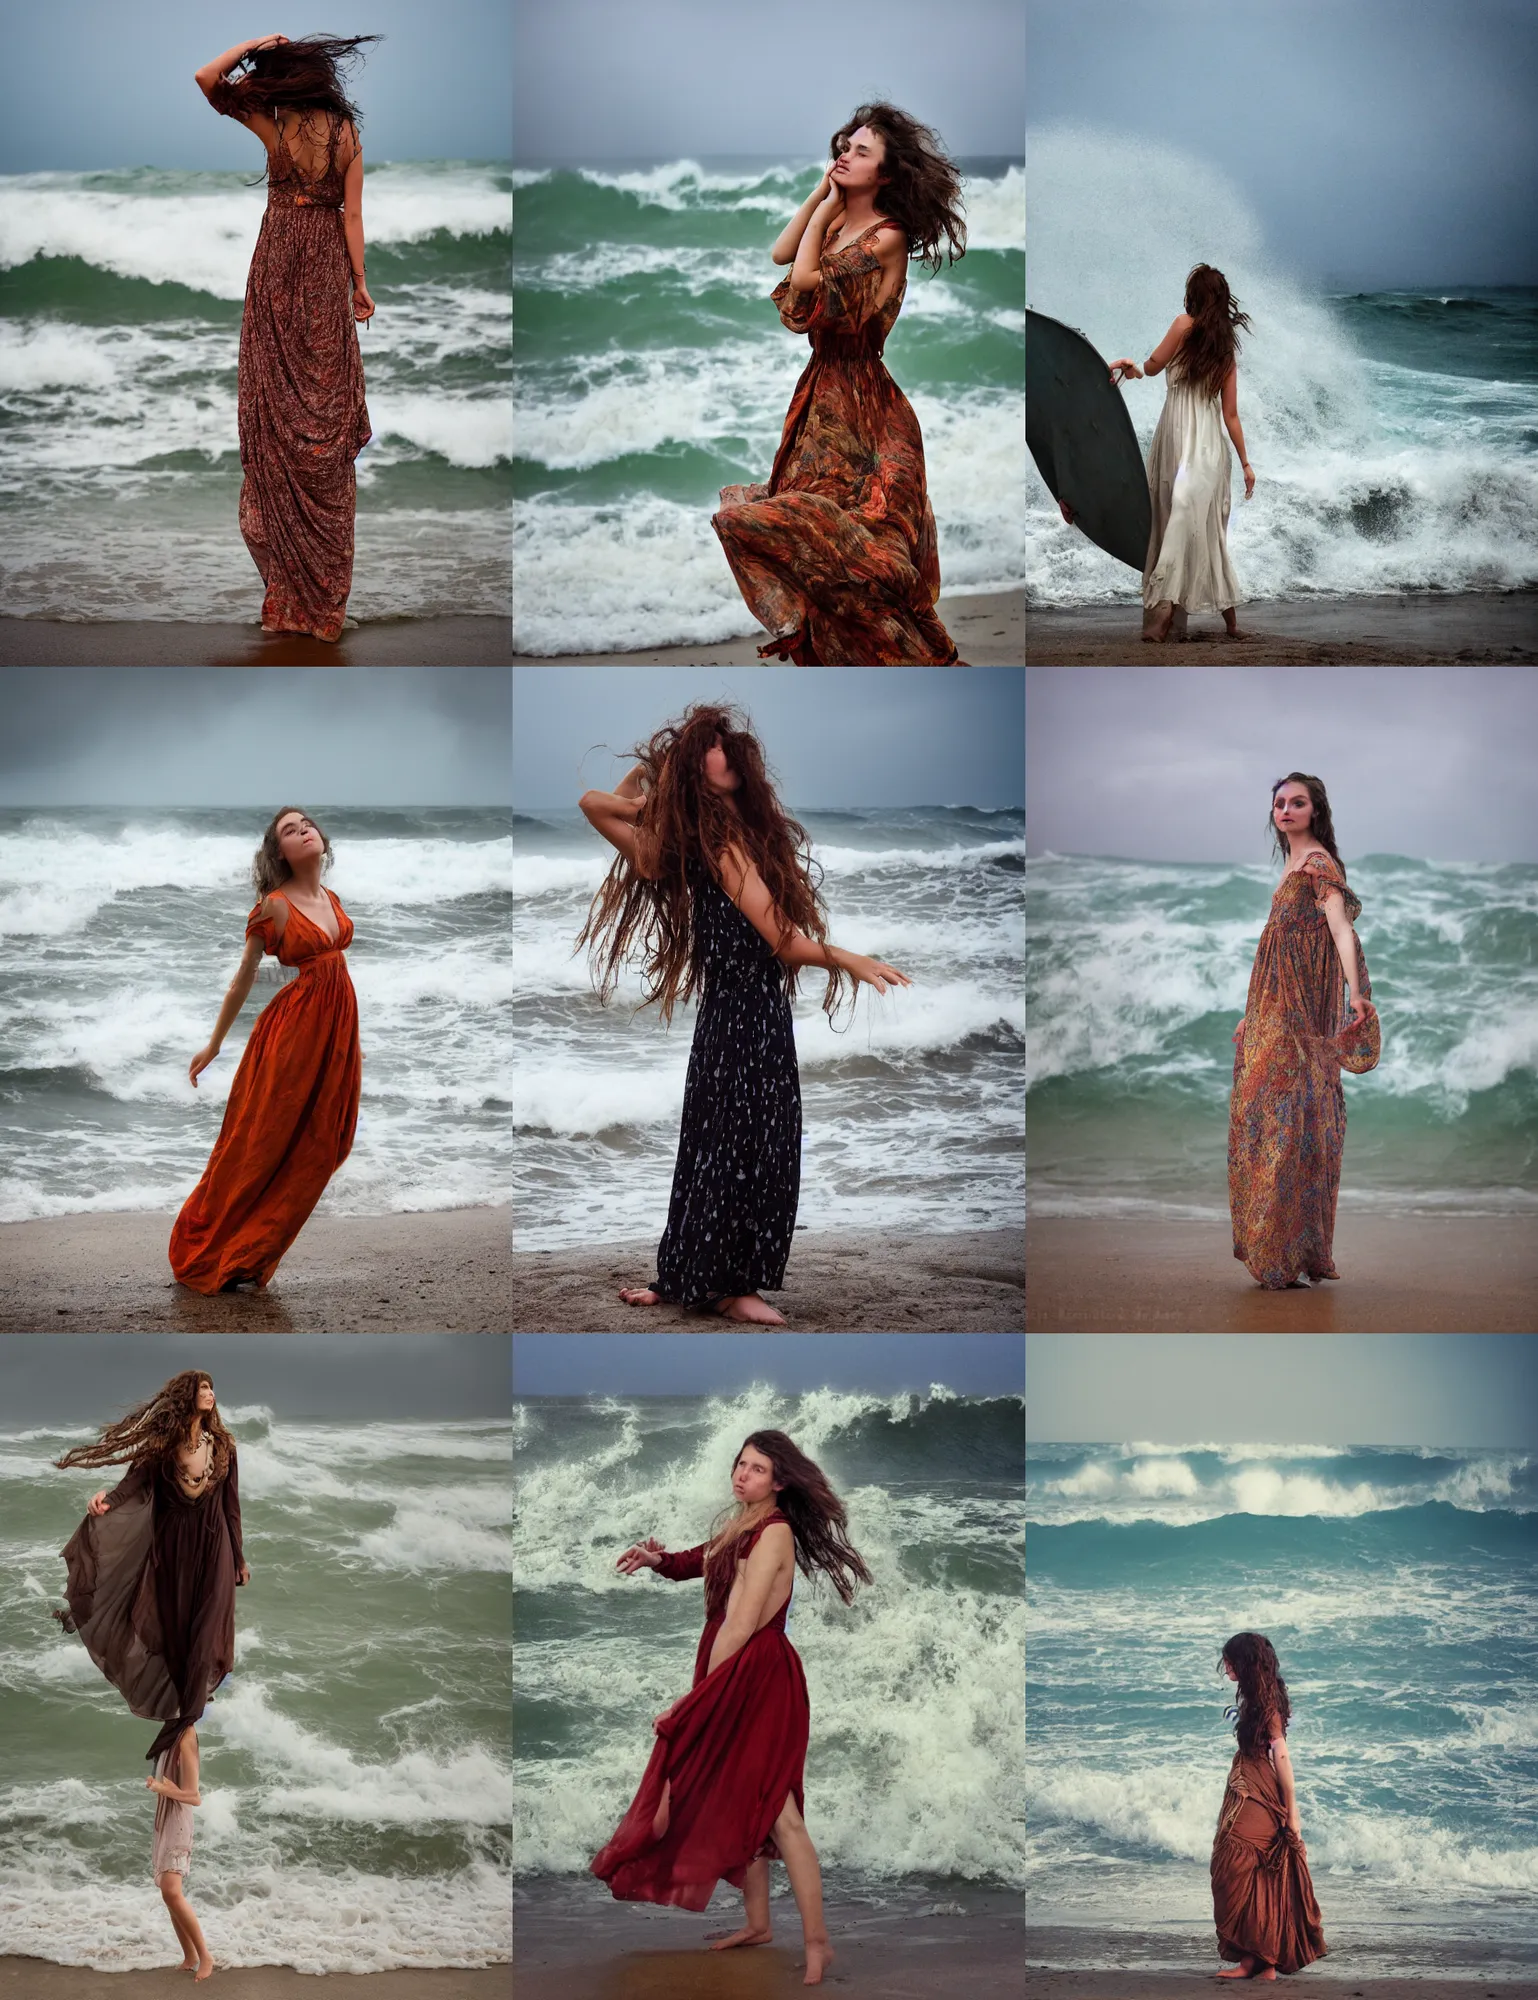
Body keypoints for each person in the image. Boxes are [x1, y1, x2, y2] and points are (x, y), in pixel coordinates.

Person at [576, 703, 910, 1323]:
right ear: (695, 769)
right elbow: (783, 940)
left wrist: (667, 793)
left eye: (730, 745)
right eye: (712, 746)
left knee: (738, 1141)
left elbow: (775, 938)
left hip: (749, 1011)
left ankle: (708, 1282)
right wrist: (848, 959)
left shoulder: (728, 838)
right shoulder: (712, 844)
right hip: (740, 1016)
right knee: (728, 1143)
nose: (728, 752)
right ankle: (711, 1286)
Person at [592, 1431, 873, 1987]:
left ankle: (819, 1944)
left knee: (777, 1811)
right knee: (741, 1796)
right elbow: (706, 1559)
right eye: (740, 1464)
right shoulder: (742, 1521)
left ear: (780, 1480)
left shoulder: (774, 1533)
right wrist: (658, 1560)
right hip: (734, 1669)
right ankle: (759, 1925)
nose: (741, 1475)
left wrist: (694, 1701)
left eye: (757, 1468)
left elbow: (742, 1624)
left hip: (755, 1676)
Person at [713, 103, 969, 665]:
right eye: (843, 147)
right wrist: (822, 200)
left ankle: (915, 658)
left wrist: (830, 209)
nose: (844, 156)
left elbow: (803, 278)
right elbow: (782, 253)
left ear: (886, 172)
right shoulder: (835, 221)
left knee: (865, 554)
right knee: (807, 539)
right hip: (818, 403)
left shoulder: (888, 235)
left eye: (861, 151)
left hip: (867, 411)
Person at [195, 33, 380, 641]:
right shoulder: (348, 135)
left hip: (277, 268)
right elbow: (351, 217)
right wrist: (360, 284)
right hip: (326, 267)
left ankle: (293, 599)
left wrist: (250, 45)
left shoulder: (277, 123)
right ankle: (322, 607)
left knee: (276, 415)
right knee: (322, 422)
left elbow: (206, 80)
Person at [170, 807, 362, 1294]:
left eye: (307, 824)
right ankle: (222, 1249)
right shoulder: (274, 906)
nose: (303, 831)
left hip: (336, 1031)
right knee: (263, 1145)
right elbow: (244, 978)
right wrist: (214, 1044)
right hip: (294, 1034)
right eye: (290, 831)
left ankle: (254, 1249)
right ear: (279, 853)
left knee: (327, 1143)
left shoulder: (331, 897)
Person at [55, 1372, 250, 1771]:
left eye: (212, 1388)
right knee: (176, 1634)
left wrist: (241, 1559)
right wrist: (104, 1501)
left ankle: (185, 1717)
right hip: (172, 1549)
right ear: (186, 1397)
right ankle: (182, 1714)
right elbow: (132, 1483)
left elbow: (232, 1507)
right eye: (202, 1389)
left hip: (216, 1550)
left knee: (206, 1630)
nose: (210, 1394)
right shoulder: (162, 1447)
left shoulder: (225, 1446)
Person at [1229, 774, 1379, 1290]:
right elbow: (1279, 949)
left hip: (1300, 1015)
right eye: (1279, 803)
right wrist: (1253, 1012)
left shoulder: (1318, 864)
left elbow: (1340, 928)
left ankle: (1284, 1253)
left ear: (1315, 811)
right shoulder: (1292, 863)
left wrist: (1356, 994)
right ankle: (1284, 1246)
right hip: (1273, 1008)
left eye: (1297, 802)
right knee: (1268, 1115)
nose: (1286, 809)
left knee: (1289, 1119)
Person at [1107, 263, 1255, 645]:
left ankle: (1164, 614)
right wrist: (1244, 463)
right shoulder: (1224, 350)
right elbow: (1231, 417)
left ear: (1195, 295)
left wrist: (1132, 367)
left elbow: (1154, 367)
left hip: (1178, 434)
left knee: (1175, 520)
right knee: (1201, 527)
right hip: (1209, 445)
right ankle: (1228, 623)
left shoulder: (1182, 326)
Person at [1212, 1633, 1327, 1980]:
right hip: (1245, 1786)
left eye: (1230, 1661)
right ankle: (1257, 1962)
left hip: (1260, 1792)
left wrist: (1293, 1815)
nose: (1226, 1667)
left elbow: (1283, 1758)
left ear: (1245, 1663)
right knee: (1249, 1869)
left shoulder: (1267, 1705)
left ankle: (1267, 1962)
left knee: (1239, 1862)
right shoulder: (1253, 1698)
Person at [148, 1724, 214, 1981]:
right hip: (165, 1819)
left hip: (177, 1820)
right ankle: (190, 1956)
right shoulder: (172, 1732)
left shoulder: (186, 1734)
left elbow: (194, 1796)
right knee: (168, 1892)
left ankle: (205, 1956)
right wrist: (158, 1784)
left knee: (172, 1891)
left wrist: (161, 1788)